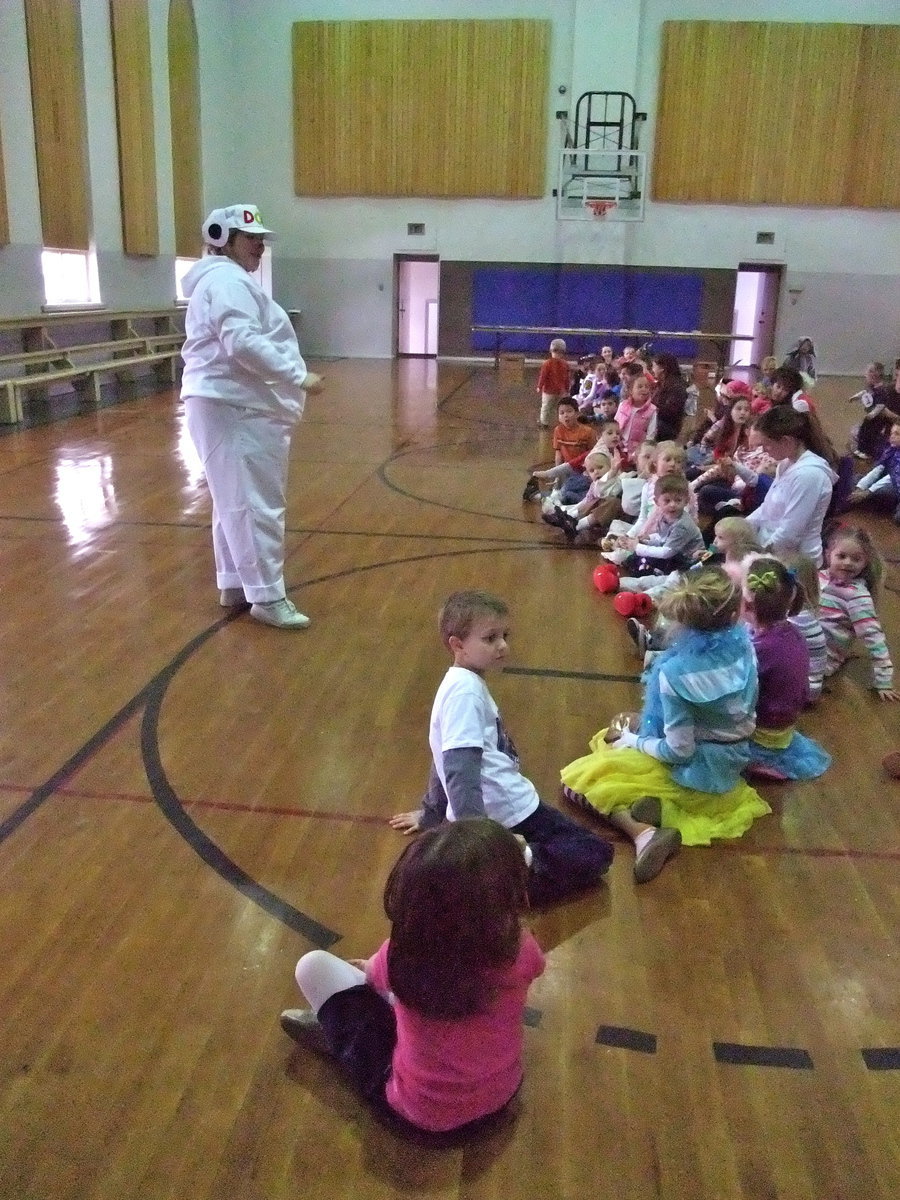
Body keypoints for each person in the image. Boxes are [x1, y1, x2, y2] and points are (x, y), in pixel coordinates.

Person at [280, 818, 545, 1137]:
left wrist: (368, 969)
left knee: (311, 966)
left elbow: (373, 975)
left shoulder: (401, 956)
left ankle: (341, 1038)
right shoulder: (523, 950)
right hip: (502, 1097)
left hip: (418, 1115)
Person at [390, 591, 613, 904]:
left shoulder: (461, 683)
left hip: (504, 808)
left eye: (504, 636)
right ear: (457, 645)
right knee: (596, 853)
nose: (503, 646)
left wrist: (431, 813)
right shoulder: (464, 694)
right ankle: (499, 878)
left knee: (575, 845)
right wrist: (478, 841)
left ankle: (501, 868)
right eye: (490, 638)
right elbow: (458, 769)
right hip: (505, 812)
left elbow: (442, 757)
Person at [561, 566, 769, 874]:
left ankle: (643, 833)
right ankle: (658, 808)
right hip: (733, 756)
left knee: (580, 780)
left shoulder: (675, 674)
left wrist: (635, 742)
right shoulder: (745, 644)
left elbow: (678, 751)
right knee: (617, 727)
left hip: (696, 767)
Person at [180, 204, 323, 629]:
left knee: (232, 502)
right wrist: (298, 375)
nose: (259, 246)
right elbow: (241, 342)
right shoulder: (227, 282)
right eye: (251, 238)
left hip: (229, 404)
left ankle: (236, 584)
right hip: (234, 406)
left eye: (261, 239)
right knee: (256, 504)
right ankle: (267, 596)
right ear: (223, 239)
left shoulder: (227, 282)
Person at [741, 558, 831, 780]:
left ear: (747, 605)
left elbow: (738, 693)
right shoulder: (792, 632)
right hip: (784, 728)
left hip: (761, 732)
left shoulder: (760, 648)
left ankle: (757, 762)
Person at [745, 406, 837, 564]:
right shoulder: (786, 464)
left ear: (786, 441)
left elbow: (790, 534)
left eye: (766, 444)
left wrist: (758, 555)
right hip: (772, 550)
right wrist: (739, 527)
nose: (763, 451)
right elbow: (767, 509)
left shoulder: (809, 475)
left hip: (795, 559)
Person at [818, 524, 899, 702]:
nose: (847, 562)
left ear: (865, 562)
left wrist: (884, 680)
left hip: (823, 658)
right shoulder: (819, 577)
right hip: (805, 641)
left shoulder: (857, 596)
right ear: (828, 555)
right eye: (841, 556)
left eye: (856, 559)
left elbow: (873, 637)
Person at [615, 474, 704, 582]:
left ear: (686, 501)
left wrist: (637, 547)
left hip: (688, 560)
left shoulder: (682, 525)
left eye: (678, 500)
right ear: (657, 502)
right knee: (633, 559)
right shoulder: (663, 514)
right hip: (674, 552)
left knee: (645, 562)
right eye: (667, 501)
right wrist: (648, 539)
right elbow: (663, 537)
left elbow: (667, 552)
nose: (672, 505)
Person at [522, 398, 596, 501]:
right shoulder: (558, 430)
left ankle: (536, 496)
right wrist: (557, 473)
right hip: (565, 470)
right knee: (563, 491)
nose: (565, 415)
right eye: (561, 413)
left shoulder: (588, 432)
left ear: (577, 413)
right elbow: (558, 452)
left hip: (583, 471)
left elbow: (594, 454)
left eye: (569, 411)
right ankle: (539, 495)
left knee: (571, 492)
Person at [848, 420, 900, 521]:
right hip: (889, 480)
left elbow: (890, 478)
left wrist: (867, 492)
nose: (891, 436)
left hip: (895, 484)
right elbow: (878, 469)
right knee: (854, 480)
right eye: (892, 432)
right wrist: (861, 487)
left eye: (897, 434)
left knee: (898, 518)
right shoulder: (891, 449)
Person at [614, 372, 658, 461]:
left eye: (647, 387)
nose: (644, 389)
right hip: (619, 448)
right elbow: (615, 426)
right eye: (640, 386)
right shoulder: (623, 405)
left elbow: (651, 435)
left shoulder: (652, 410)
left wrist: (638, 454)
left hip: (638, 453)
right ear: (631, 390)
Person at [651, 352, 688, 442]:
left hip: (667, 429)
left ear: (662, 368)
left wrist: (651, 408)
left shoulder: (676, 387)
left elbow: (670, 411)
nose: (652, 369)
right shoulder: (661, 385)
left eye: (654, 366)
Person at [536, 338, 570, 428]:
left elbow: (566, 377)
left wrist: (567, 388)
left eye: (559, 352)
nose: (556, 355)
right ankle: (544, 422)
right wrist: (540, 386)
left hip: (560, 391)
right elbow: (543, 376)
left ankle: (562, 422)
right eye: (555, 352)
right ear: (551, 352)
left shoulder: (565, 364)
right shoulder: (547, 364)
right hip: (548, 390)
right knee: (546, 407)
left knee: (560, 408)